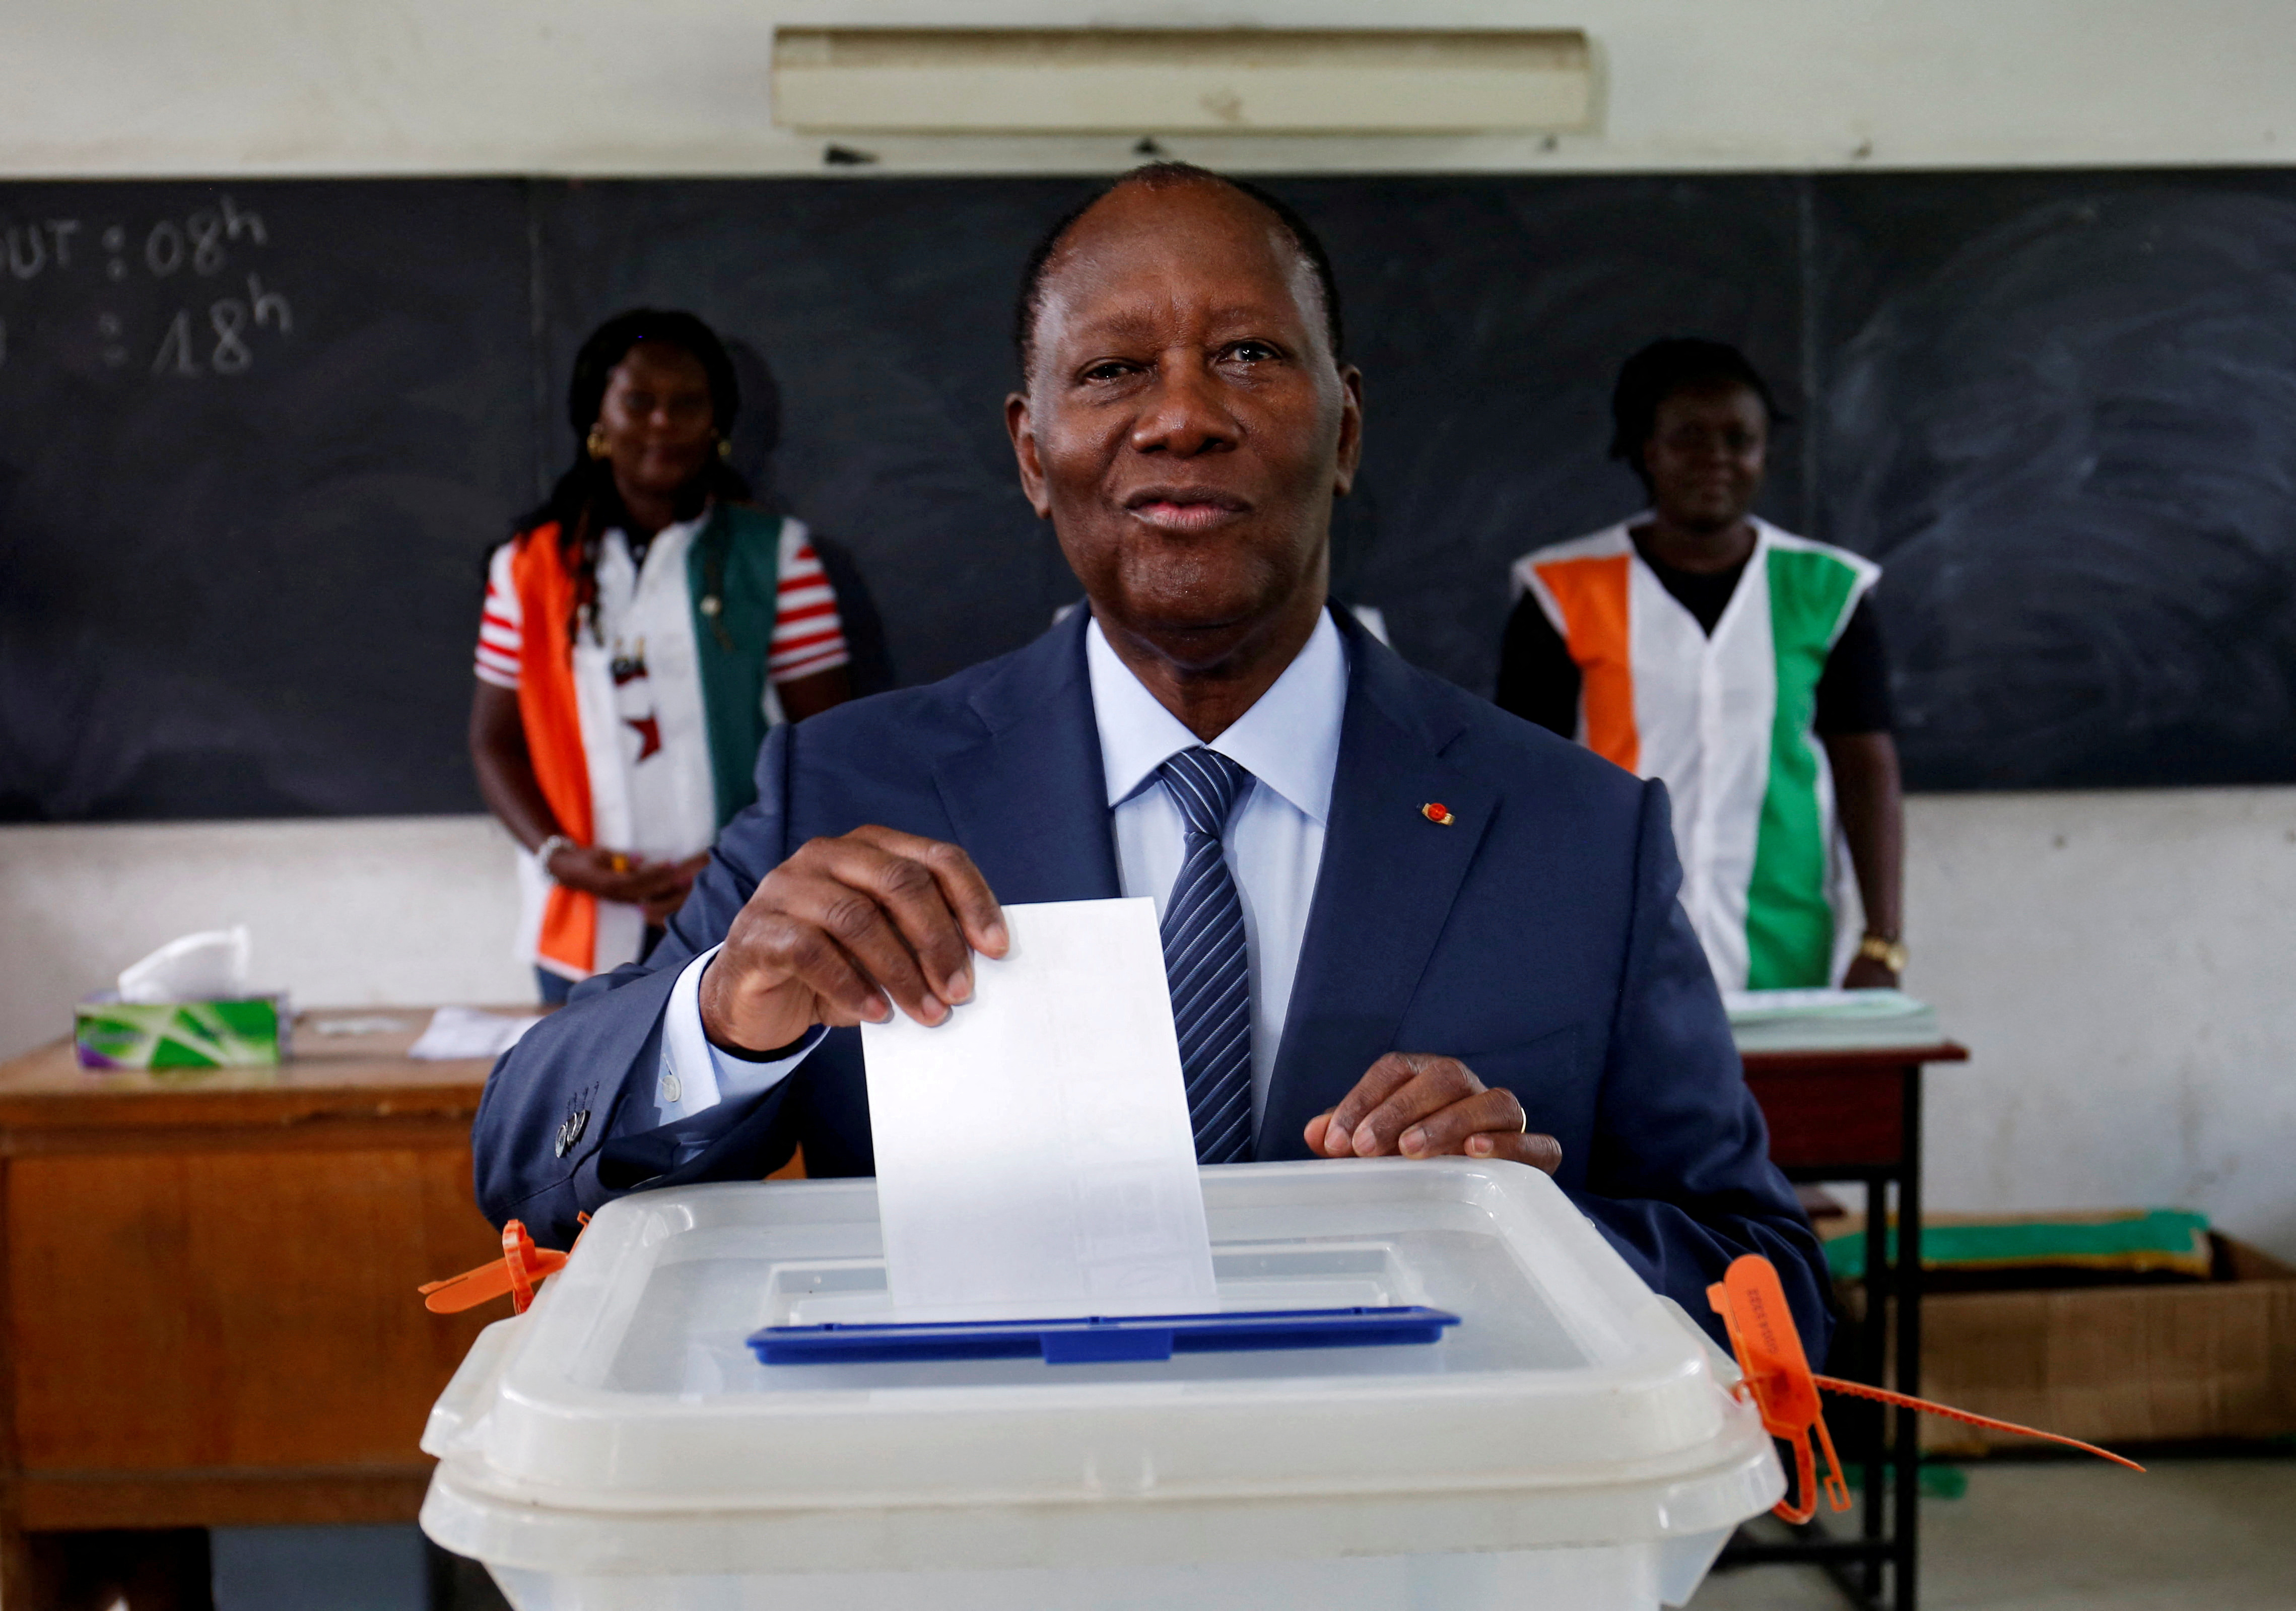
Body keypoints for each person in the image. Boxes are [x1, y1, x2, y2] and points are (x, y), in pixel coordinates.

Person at [473, 166, 1830, 1352]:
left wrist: (1527, 1235)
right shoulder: (846, 789)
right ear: (1029, 449)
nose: (1180, 416)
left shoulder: (1573, 829)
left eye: (1245, 353)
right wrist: (718, 1012)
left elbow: (1774, 1284)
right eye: (1113, 368)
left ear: (1344, 428)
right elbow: (524, 1149)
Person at [1497, 340, 1905, 993]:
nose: (1715, 457)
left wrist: (1882, 940)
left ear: (1764, 453)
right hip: (1609, 939)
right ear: (1645, 450)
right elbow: (1516, 782)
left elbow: (1865, 769)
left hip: (1783, 940)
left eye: (1739, 438)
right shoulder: (1563, 589)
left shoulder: (1828, 589)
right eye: (1688, 437)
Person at [470, 310, 852, 1003]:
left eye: (687, 405)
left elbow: (828, 747)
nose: (661, 424)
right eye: (638, 402)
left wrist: (736, 860)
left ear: (717, 422)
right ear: (598, 418)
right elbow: (495, 742)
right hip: (582, 923)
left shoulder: (777, 556)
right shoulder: (529, 567)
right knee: (592, 1110)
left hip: (745, 912)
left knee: (733, 1106)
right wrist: (563, 859)